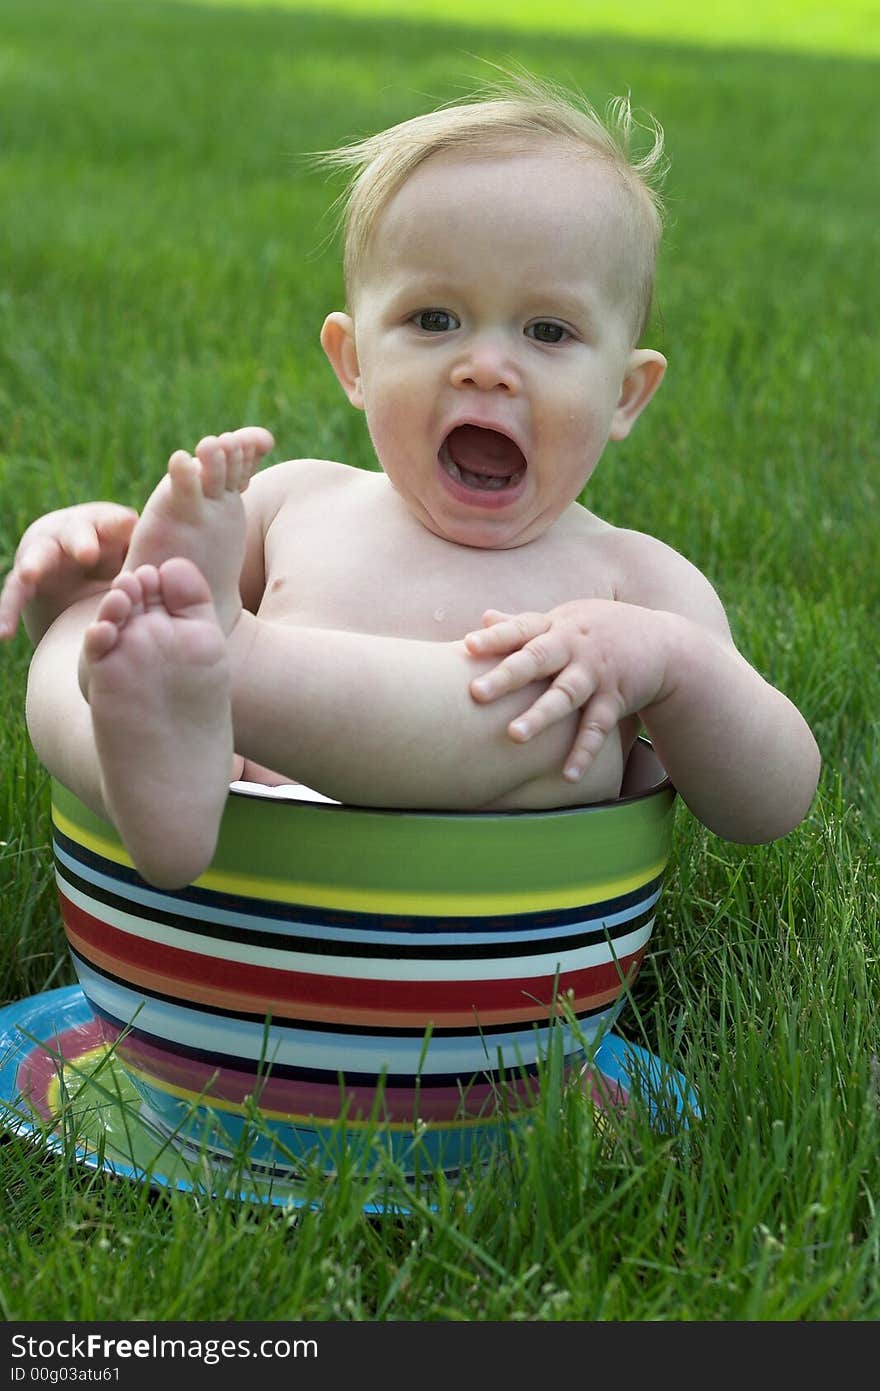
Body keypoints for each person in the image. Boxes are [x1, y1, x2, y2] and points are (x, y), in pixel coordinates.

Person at [0, 75, 820, 889]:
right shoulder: (296, 500)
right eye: (435, 319)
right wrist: (96, 587)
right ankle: (148, 761)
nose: (487, 368)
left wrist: (674, 662)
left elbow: (773, 801)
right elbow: (163, 605)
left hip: (459, 954)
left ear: (626, 393)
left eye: (548, 330)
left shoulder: (631, 584)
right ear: (354, 362)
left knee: (548, 713)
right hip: (225, 834)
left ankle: (231, 678)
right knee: (91, 640)